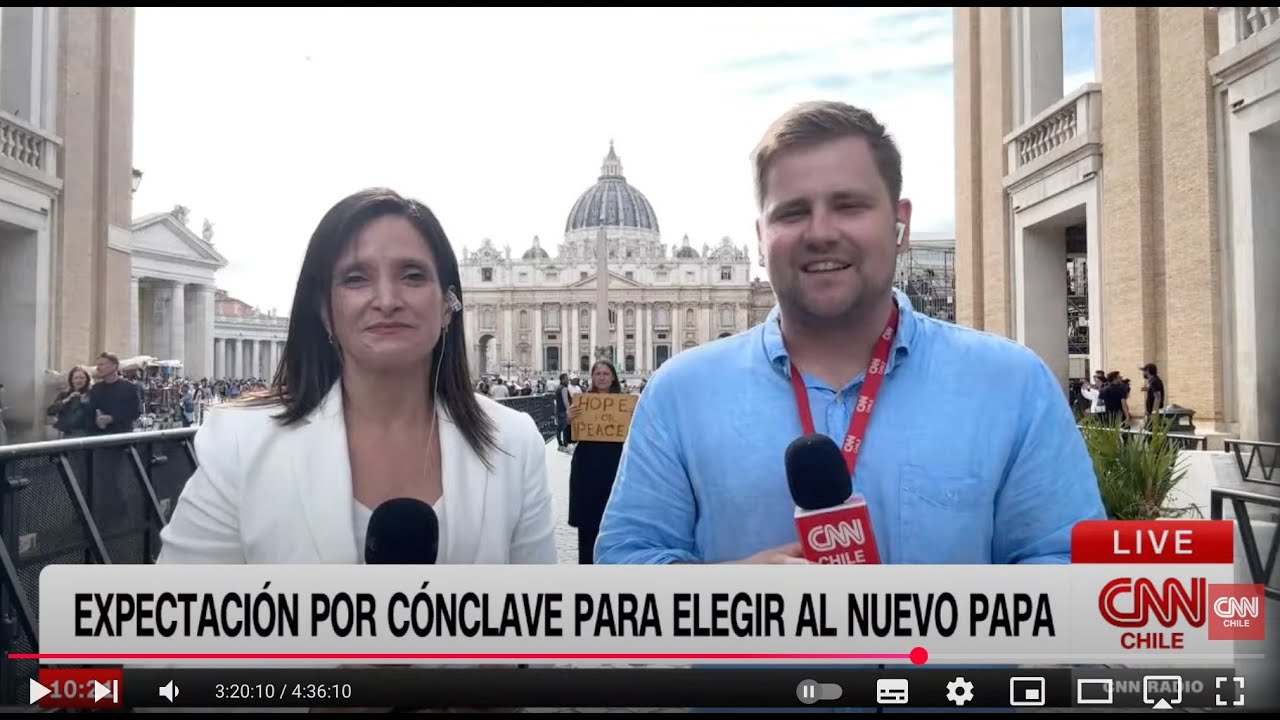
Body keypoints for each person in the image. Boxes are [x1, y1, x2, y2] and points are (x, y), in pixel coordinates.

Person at [595, 100, 1106, 567]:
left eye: (849, 205)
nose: (820, 233)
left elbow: (1069, 570)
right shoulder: (679, 393)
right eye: (793, 212)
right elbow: (625, 566)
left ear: (900, 224)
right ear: (760, 239)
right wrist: (723, 599)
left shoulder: (1011, 385)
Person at [157, 188, 557, 567]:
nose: (386, 300)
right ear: (325, 311)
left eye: (413, 276)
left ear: (448, 306)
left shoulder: (516, 443)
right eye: (356, 278)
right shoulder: (238, 443)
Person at [565, 360, 625, 564]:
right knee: (588, 525)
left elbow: (635, 437)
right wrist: (568, 420)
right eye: (598, 373)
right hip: (587, 469)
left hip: (615, 468)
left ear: (613, 377)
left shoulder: (624, 404)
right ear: (592, 377)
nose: (601, 377)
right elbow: (571, 438)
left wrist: (634, 419)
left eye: (606, 373)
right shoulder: (582, 402)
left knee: (615, 523)